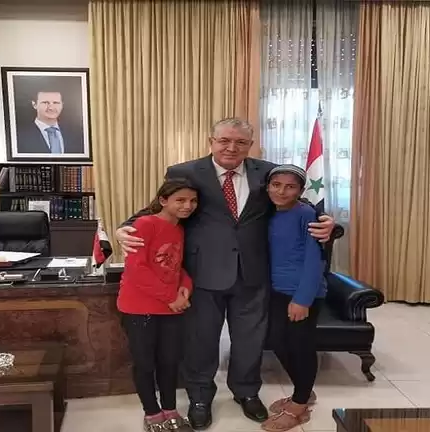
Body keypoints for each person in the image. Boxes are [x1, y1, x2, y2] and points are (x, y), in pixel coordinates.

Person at [116, 118, 336, 430]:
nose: (231, 148)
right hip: (203, 273)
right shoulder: (185, 172)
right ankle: (200, 397)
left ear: (250, 145)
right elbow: (160, 207)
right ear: (211, 141)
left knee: (250, 340)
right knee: (201, 340)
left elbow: (296, 204)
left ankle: (246, 392)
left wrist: (331, 224)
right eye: (224, 141)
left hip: (254, 273)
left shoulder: (267, 173)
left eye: (240, 142)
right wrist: (124, 226)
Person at [116, 178, 199, 432]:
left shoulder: (179, 228)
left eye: (193, 201)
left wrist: (185, 287)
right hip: (139, 307)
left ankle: (170, 409)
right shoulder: (144, 224)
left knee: (170, 361)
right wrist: (171, 297)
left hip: (170, 308)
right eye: (180, 200)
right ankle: (152, 413)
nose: (187, 206)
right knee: (145, 363)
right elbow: (137, 269)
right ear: (163, 200)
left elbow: (176, 265)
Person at [261, 165, 327, 432]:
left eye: (290, 187)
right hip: (276, 290)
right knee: (278, 342)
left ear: (300, 191)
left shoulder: (306, 214)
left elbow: (315, 259)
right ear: (267, 186)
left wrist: (303, 299)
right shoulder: (267, 212)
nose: (281, 191)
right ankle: (304, 391)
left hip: (302, 292)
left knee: (300, 346)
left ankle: (299, 405)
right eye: (276, 185)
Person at [15, 90, 83, 155]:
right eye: (45, 103)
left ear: (62, 105)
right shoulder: (19, 136)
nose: (51, 108)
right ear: (34, 105)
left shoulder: (77, 134)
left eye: (56, 103)